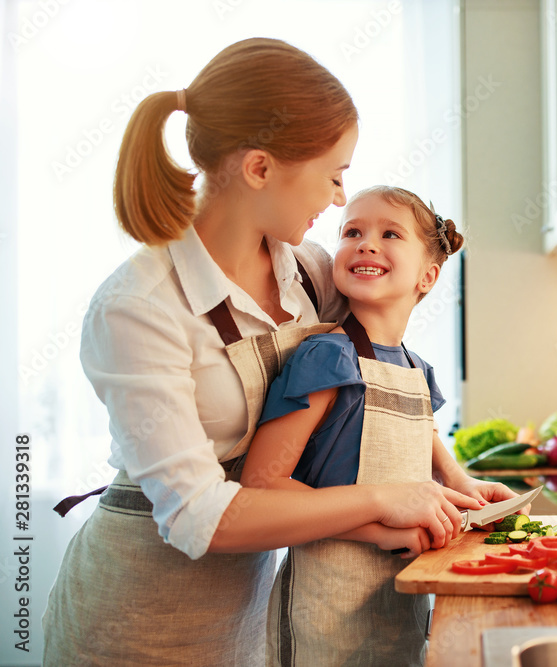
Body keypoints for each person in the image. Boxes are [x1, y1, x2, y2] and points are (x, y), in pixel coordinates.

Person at [41, 38, 488, 666]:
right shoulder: (138, 307)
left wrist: (448, 476)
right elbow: (200, 517)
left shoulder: (309, 273)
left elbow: (376, 378)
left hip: (251, 609)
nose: (338, 200)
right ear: (259, 168)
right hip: (138, 618)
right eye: (334, 176)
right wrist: (383, 501)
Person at [241, 186, 518, 667]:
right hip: (323, 605)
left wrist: (462, 482)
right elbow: (262, 486)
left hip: (398, 601)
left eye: (390, 233)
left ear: (427, 276)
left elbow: (423, 437)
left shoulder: (416, 369)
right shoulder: (326, 355)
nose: (366, 244)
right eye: (352, 231)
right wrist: (376, 529)